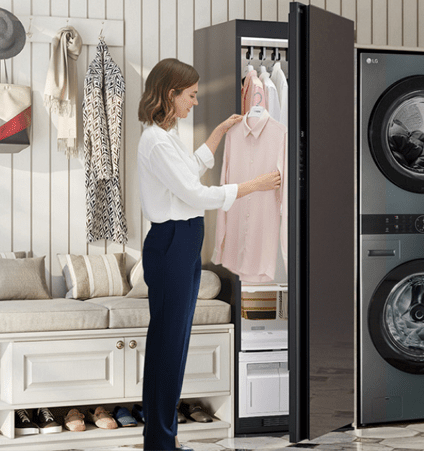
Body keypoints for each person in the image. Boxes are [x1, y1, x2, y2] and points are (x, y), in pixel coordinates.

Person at [136, 58, 280, 451]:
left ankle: (160, 435)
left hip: (179, 241)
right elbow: (196, 194)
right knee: (169, 343)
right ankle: (161, 441)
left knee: (170, 341)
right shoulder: (155, 141)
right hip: (173, 243)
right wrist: (254, 185)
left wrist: (218, 133)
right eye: (191, 96)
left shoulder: (163, 137)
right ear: (171, 94)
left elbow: (191, 169)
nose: (195, 103)